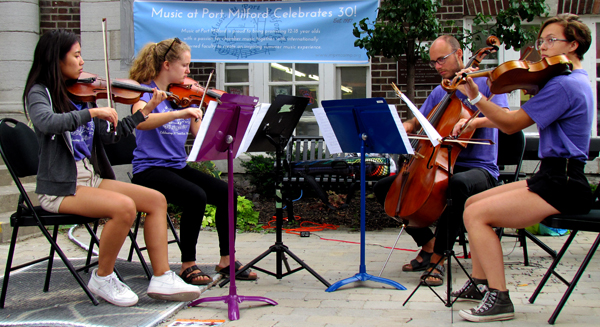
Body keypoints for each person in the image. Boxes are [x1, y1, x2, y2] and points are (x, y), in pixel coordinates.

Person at [23, 30, 202, 307]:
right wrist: (93, 112)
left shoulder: (83, 93)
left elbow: (111, 137)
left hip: (89, 179)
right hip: (61, 187)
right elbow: (46, 122)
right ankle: (103, 277)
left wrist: (145, 111)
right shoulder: (40, 92)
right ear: (56, 59)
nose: (82, 62)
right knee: (124, 207)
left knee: (155, 200)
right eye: (76, 55)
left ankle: (163, 277)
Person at [452, 14, 594, 322]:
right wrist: (479, 119)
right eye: (541, 40)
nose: (542, 47)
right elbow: (521, 113)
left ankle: (499, 297)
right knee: (473, 202)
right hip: (555, 173)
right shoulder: (571, 80)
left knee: (476, 214)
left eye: (551, 40)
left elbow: (513, 124)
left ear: (573, 44)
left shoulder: (564, 85)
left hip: (563, 181)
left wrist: (475, 96)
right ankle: (480, 283)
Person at [373, 35, 510, 286]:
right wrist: (405, 126)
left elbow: (504, 118)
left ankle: (438, 257)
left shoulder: (487, 84)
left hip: (478, 169)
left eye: (441, 60)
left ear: (459, 55)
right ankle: (428, 244)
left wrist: (473, 120)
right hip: (436, 164)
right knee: (386, 189)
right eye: (434, 62)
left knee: (456, 185)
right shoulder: (441, 91)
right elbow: (418, 121)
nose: (437, 67)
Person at [128, 37, 257, 285]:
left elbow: (200, 136)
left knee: (227, 192)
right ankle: (187, 264)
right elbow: (140, 120)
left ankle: (227, 260)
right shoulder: (145, 92)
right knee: (195, 195)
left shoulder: (185, 96)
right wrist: (182, 112)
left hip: (177, 166)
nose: (189, 71)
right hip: (149, 170)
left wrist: (219, 121)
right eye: (185, 65)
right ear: (167, 64)